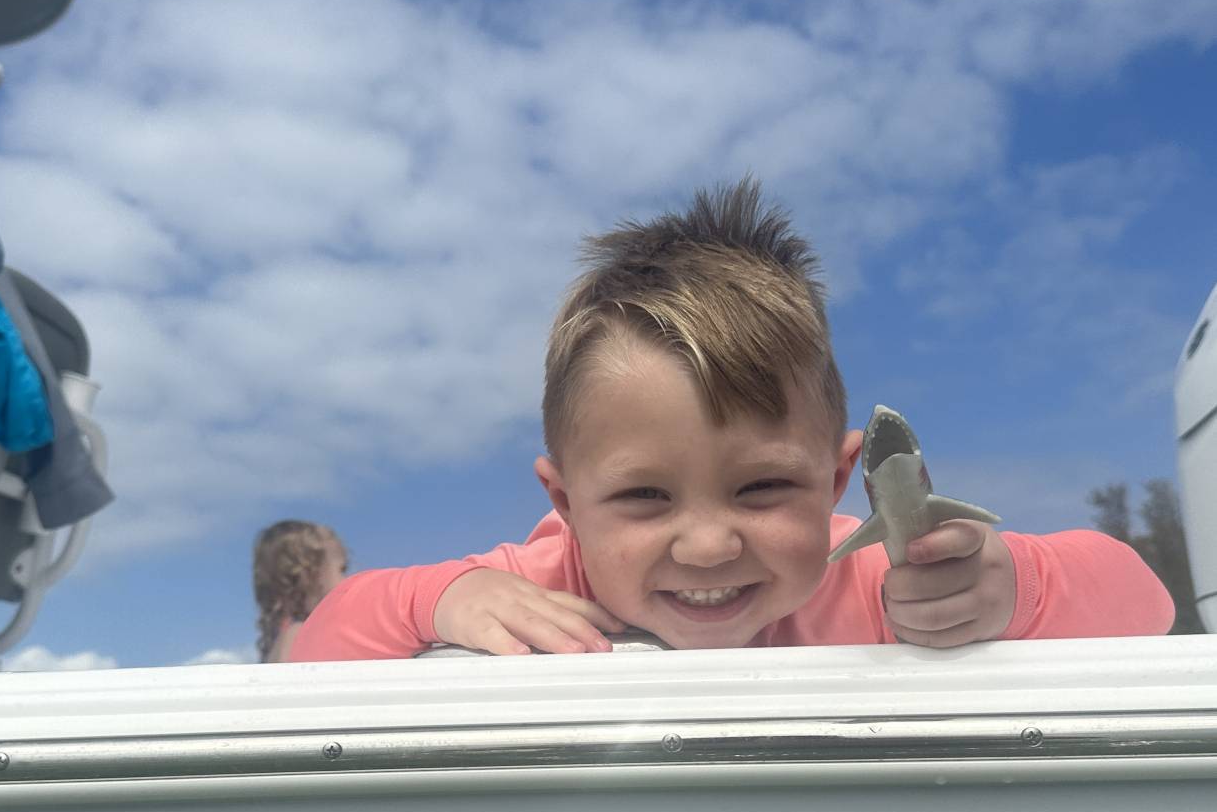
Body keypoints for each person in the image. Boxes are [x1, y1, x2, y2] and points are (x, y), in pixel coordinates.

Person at [290, 180, 1173, 661]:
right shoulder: (536, 590)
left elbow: (1144, 599)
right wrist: (440, 599)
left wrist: (1007, 588)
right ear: (563, 501)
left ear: (836, 480)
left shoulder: (875, 582)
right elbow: (317, 650)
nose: (708, 546)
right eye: (643, 497)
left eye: (761, 487)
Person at [253, 520, 348, 663]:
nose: (348, 579)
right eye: (342, 569)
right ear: (307, 576)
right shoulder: (301, 636)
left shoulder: (287, 637)